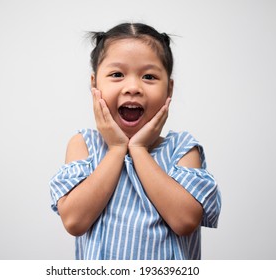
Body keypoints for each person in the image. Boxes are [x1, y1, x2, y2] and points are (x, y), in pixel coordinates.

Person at [49, 22, 221, 260]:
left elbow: (185, 221)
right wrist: (117, 148)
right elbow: (75, 221)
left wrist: (138, 149)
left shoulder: (182, 149)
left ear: (169, 89)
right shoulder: (83, 145)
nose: (133, 88)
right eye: (117, 74)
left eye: (149, 76)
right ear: (94, 84)